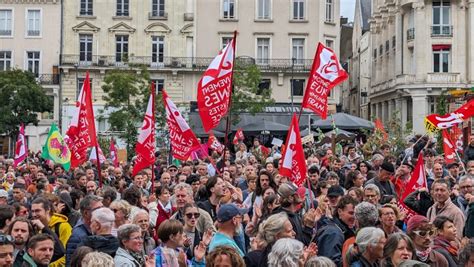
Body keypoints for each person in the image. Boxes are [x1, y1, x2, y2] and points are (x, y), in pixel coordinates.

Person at [316, 195, 358, 266]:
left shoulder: (344, 230)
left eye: (356, 214)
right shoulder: (333, 233)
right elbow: (331, 263)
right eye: (351, 213)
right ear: (339, 211)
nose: (354, 217)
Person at [30, 197, 71, 266]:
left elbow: (67, 254)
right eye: (32, 211)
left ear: (48, 210)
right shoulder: (36, 226)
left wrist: (49, 265)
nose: (34, 214)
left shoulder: (63, 226)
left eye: (37, 211)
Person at [65, 195, 103, 266]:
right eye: (98, 209)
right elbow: (71, 263)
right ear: (86, 213)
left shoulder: (96, 229)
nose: (102, 212)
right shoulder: (77, 236)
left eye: (102, 208)